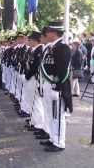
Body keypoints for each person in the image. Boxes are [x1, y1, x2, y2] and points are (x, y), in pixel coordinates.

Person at [40, 21, 73, 152]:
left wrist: (57, 86)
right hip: (49, 85)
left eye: (48, 31)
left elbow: (64, 71)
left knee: (58, 115)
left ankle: (59, 142)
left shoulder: (63, 47)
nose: (46, 34)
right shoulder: (51, 47)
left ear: (54, 33)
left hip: (56, 87)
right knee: (51, 113)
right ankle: (53, 138)